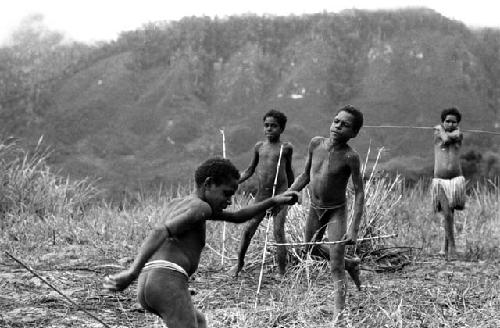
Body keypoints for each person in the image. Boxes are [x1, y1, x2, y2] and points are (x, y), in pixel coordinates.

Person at [103, 158, 298, 328]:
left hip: (150, 282)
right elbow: (160, 231)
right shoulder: (202, 208)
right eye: (226, 193)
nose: (229, 201)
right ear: (209, 184)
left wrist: (273, 200)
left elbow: (238, 217)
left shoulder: (180, 203)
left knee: (199, 322)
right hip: (167, 281)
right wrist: (131, 272)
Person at [288, 105, 365, 320]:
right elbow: (305, 175)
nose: (338, 126)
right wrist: (288, 194)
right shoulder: (316, 144)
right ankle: (350, 263)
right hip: (315, 208)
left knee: (335, 266)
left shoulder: (351, 157)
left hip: (335, 212)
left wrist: (354, 228)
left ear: (354, 133)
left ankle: (339, 314)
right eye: (336, 121)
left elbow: (359, 193)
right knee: (309, 249)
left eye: (345, 125)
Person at [233, 109, 294, 277]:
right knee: (247, 230)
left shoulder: (286, 148)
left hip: (280, 194)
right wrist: (235, 182)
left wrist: (292, 192)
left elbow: (289, 172)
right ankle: (239, 264)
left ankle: (282, 272)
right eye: (266, 125)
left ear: (281, 129)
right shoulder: (259, 147)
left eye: (273, 126)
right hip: (262, 196)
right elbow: (250, 170)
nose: (269, 129)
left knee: (278, 232)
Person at [432, 107, 466, 260]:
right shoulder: (437, 135)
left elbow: (448, 138)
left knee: (450, 214)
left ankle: (445, 247)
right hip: (440, 181)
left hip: (456, 181)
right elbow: (443, 139)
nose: (450, 124)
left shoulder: (458, 135)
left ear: (458, 124)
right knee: (446, 213)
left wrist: (441, 129)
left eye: (454, 122)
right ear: (442, 121)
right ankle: (452, 247)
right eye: (447, 121)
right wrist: (439, 130)